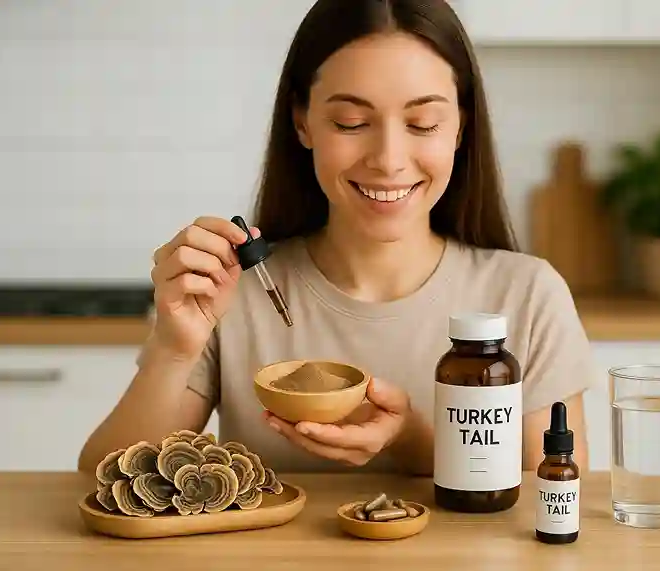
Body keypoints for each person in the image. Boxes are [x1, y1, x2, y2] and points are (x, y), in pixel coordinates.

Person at [78, 0, 595, 477]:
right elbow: (108, 478)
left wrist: (412, 441)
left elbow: (551, 496)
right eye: (351, 122)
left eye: (423, 123)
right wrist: (174, 347)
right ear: (302, 121)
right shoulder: (235, 294)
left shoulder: (527, 294)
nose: (389, 159)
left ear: (460, 127)